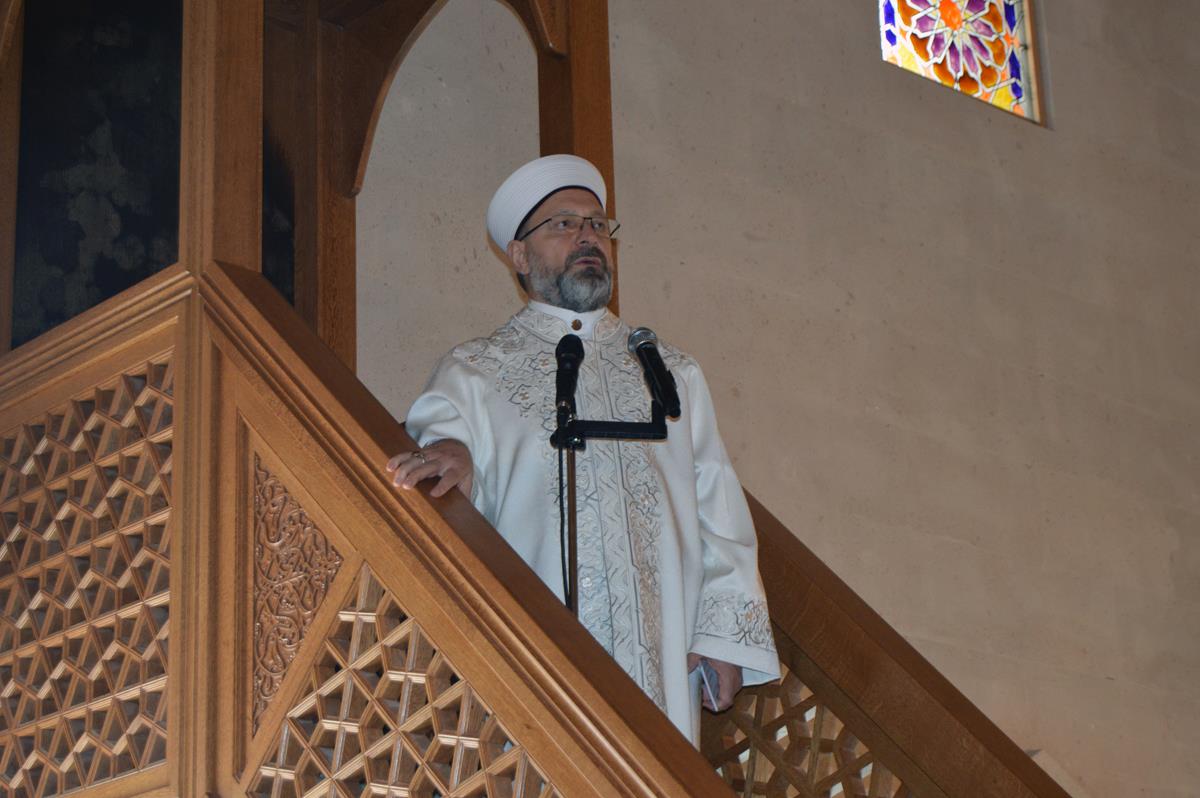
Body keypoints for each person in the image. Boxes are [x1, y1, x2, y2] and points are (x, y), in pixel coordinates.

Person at [387, 154, 778, 743]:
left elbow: (718, 509)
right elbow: (440, 453)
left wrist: (722, 637)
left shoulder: (671, 372)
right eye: (564, 225)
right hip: (529, 663)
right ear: (519, 256)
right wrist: (457, 457)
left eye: (597, 224)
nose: (588, 236)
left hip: (660, 661)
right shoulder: (474, 369)